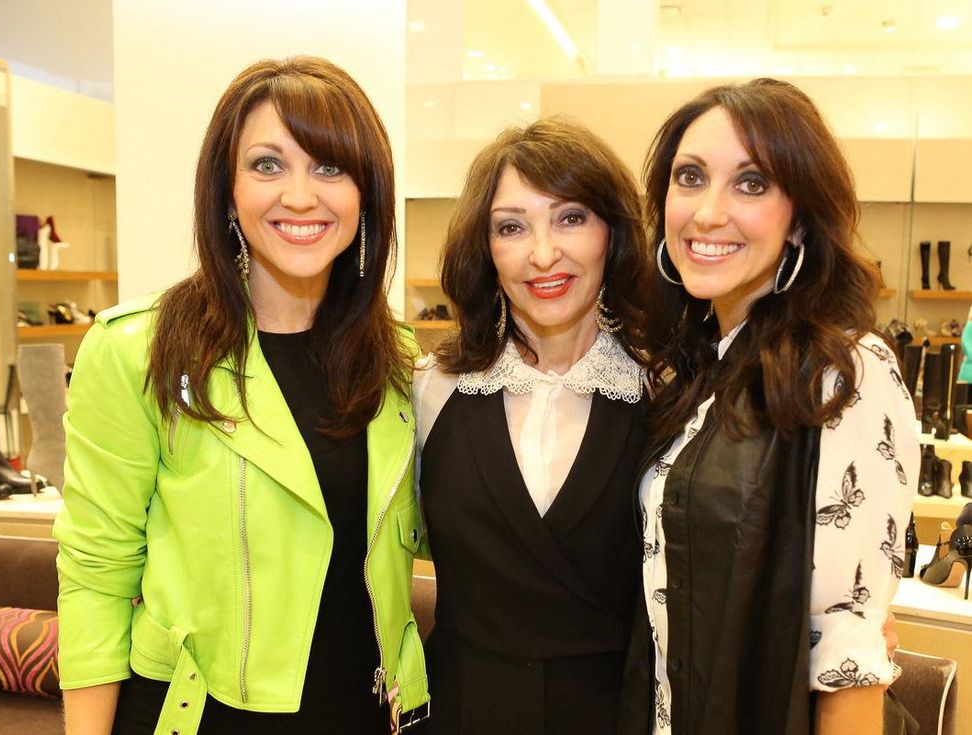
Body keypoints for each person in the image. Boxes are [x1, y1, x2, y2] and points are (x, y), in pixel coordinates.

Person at [53, 57, 429, 735]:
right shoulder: (140, 351)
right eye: (266, 165)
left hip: (370, 714)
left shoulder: (397, 360)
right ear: (226, 192)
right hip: (200, 716)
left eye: (329, 167)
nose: (300, 195)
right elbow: (95, 574)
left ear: (366, 196)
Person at [618, 78, 918, 735]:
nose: (707, 212)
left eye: (751, 183)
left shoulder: (845, 373)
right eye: (690, 177)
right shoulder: (694, 370)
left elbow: (849, 659)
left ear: (801, 216)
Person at [412, 118, 652, 734]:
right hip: (460, 711)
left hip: (615, 714)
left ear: (612, 234)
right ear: (486, 250)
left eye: (571, 217)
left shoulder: (670, 396)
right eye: (512, 227)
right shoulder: (429, 390)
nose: (543, 254)